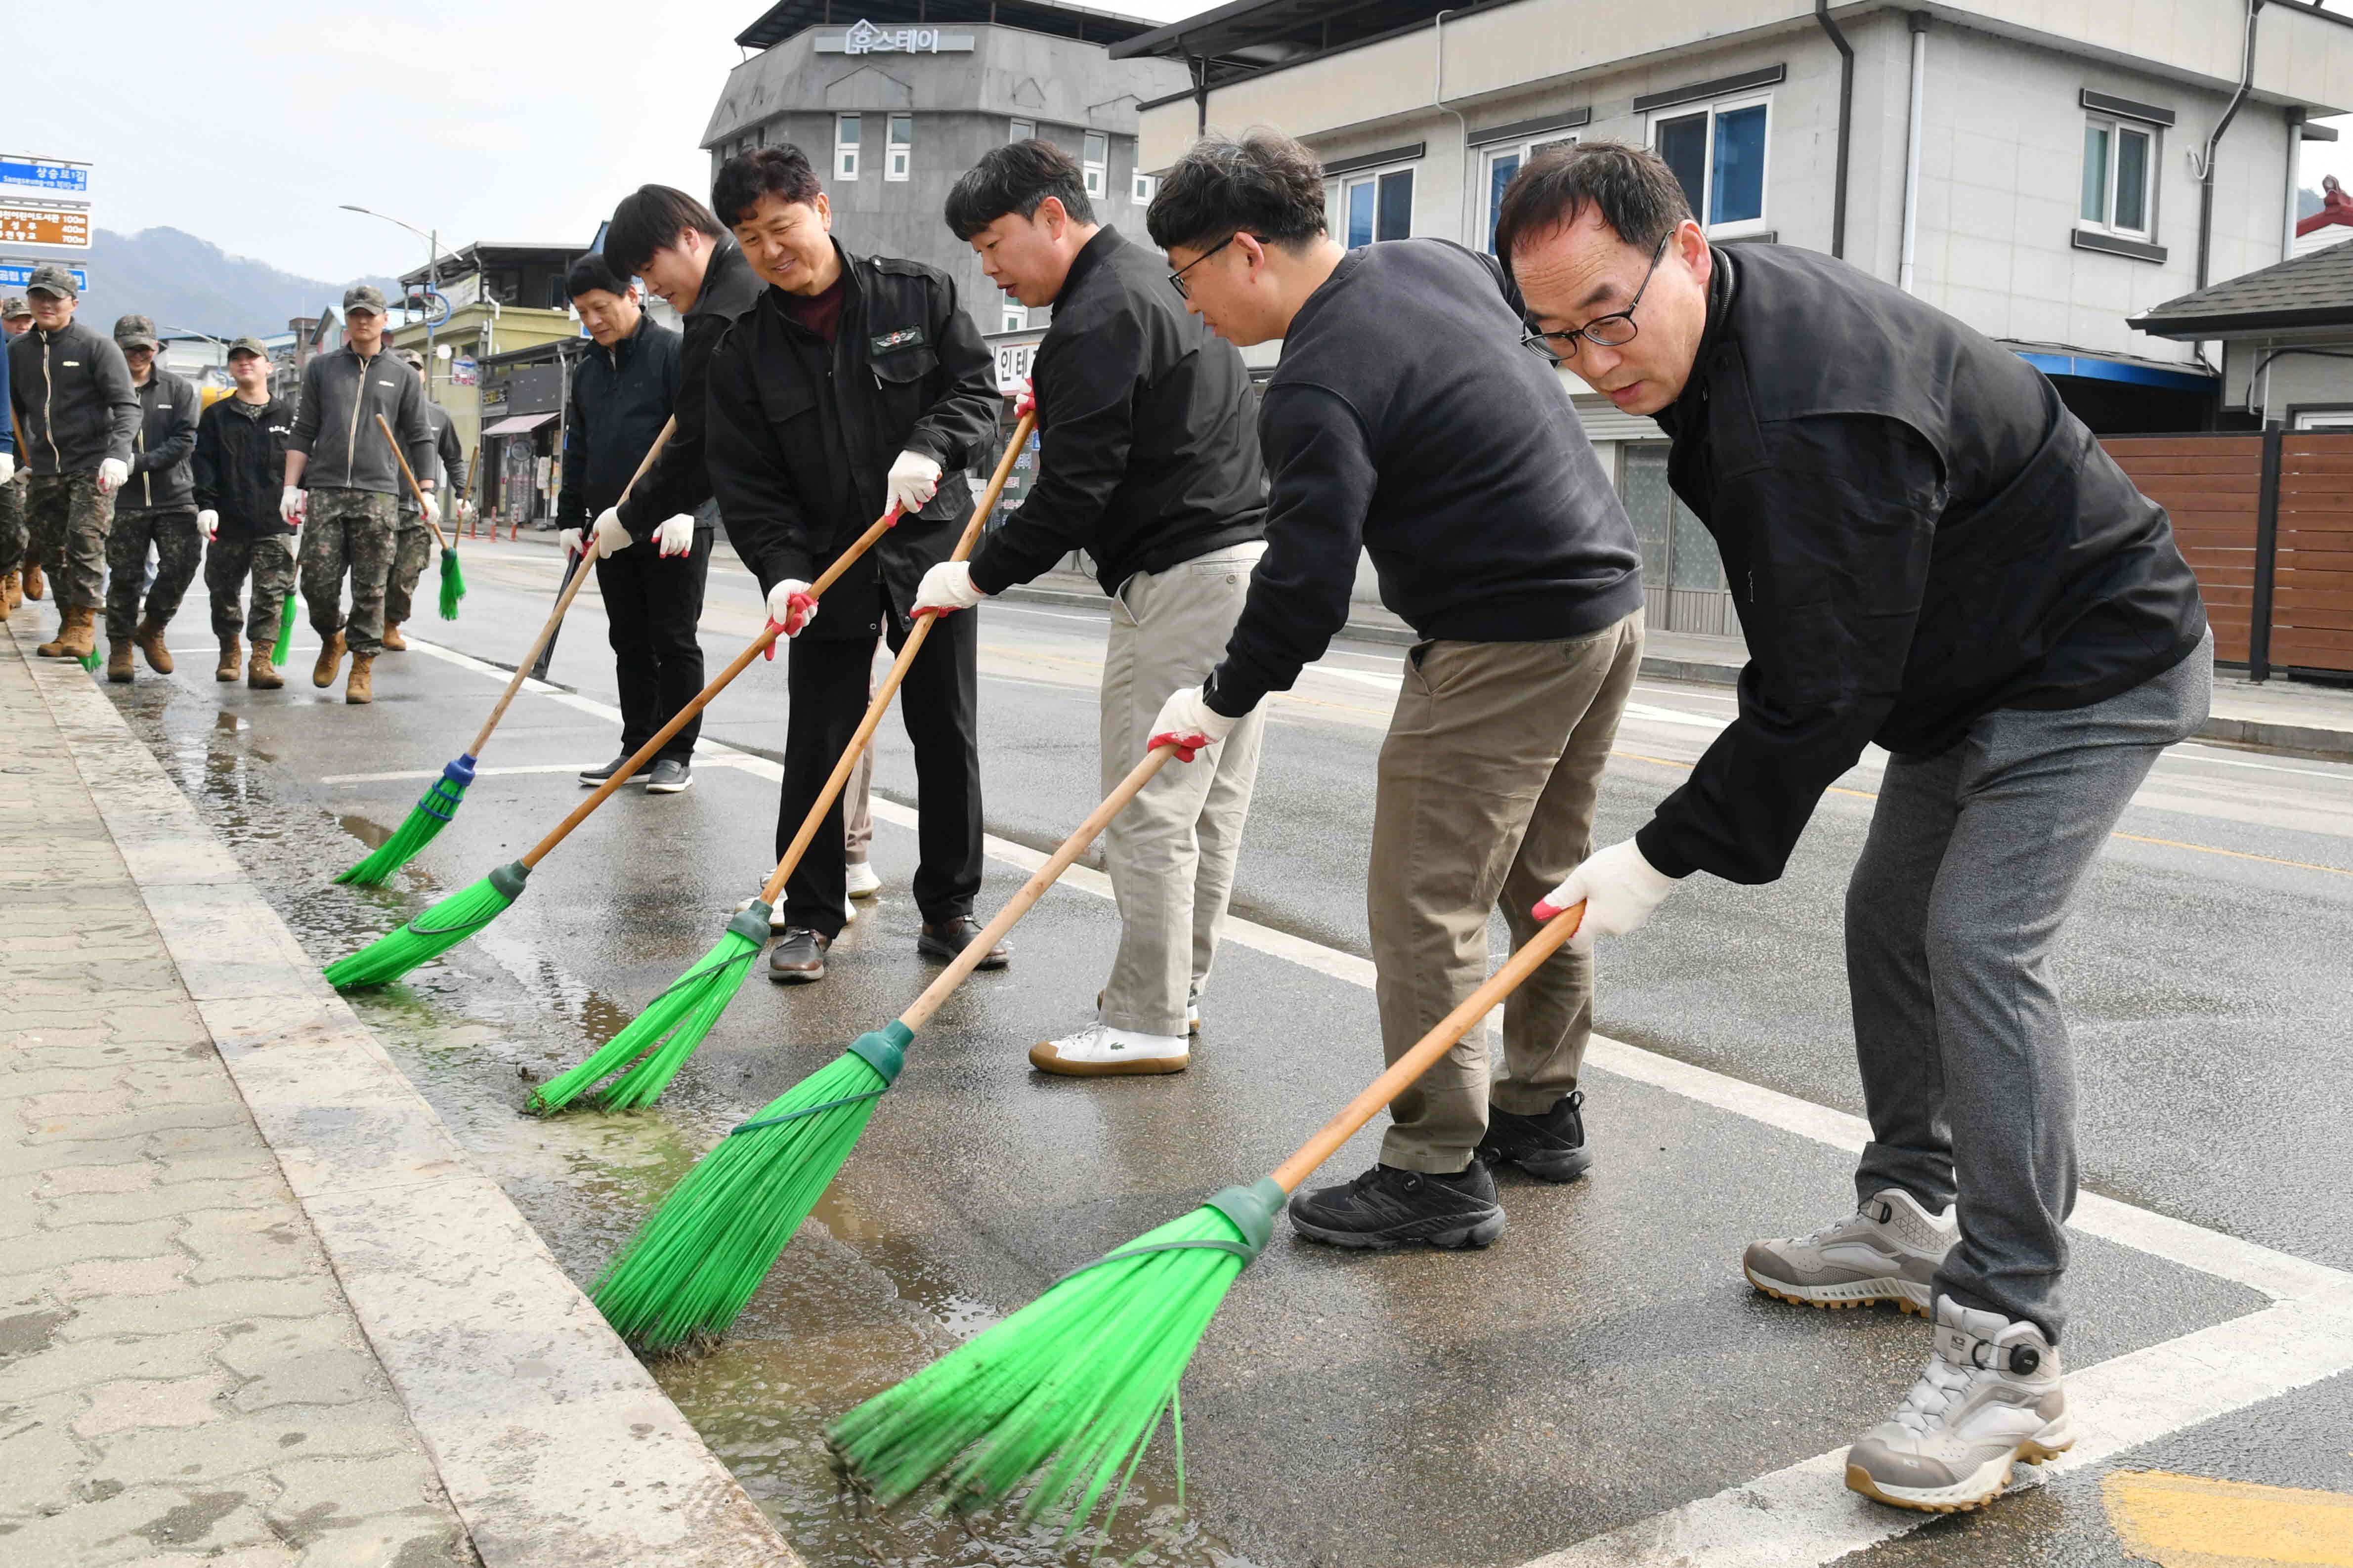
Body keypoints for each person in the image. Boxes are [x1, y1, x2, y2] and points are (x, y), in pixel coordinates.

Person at [1497, 142, 2213, 1514]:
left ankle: (2010, 1344)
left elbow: (1819, 688)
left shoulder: (1811, 408)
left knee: (1979, 947)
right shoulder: (1723, 342)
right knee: (1888, 917)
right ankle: (1909, 1213)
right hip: (1968, 664)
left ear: (1689, 250)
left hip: (2090, 655)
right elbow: (1832, 654)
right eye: (1556, 334)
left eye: (1608, 311)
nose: (1592, 355)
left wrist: (1656, 854)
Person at [1143, 130, 1645, 1247]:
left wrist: (1220, 698)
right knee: (1544, 878)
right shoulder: (1436, 260)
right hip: (1609, 605)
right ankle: (1541, 1112)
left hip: (1504, 636)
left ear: (1242, 253)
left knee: (1428, 903)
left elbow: (1307, 585)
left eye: (1186, 279)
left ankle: (1435, 1170)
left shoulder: (1315, 381)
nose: (1190, 308)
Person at [915, 139, 1269, 1076]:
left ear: (1052, 215)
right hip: (1245, 571)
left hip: (1181, 581)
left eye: (994, 244)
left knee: (1148, 810)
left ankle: (1146, 1018)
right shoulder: (1158, 282)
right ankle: (1176, 996)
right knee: (1204, 809)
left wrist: (976, 574)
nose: (988, 268)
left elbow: (1072, 495)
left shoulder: (1096, 318)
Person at [702, 145, 1003, 984]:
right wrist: (780, 572)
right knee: (821, 739)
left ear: (822, 210)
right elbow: (748, 482)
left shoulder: (919, 294)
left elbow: (977, 393)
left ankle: (948, 908)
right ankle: (809, 916)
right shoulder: (744, 351)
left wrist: (931, 446)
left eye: (782, 226)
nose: (770, 249)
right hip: (826, 562)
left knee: (945, 727)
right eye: (750, 237)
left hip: (928, 547)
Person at [553, 252, 707, 795]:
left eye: (600, 307)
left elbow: (704, 435)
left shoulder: (675, 353)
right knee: (630, 641)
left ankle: (677, 752)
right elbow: (579, 446)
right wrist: (570, 516)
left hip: (672, 525)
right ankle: (638, 745)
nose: (593, 320)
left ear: (633, 296)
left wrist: (692, 508)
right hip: (610, 529)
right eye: (583, 312)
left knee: (673, 639)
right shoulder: (591, 370)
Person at [285, 283, 435, 704]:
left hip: (379, 493)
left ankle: (362, 666)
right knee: (317, 583)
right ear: (347, 320)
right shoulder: (322, 369)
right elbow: (303, 430)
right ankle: (332, 636)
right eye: (355, 314)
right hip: (327, 489)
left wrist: (427, 491)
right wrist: (290, 486)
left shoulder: (403, 374)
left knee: (371, 588)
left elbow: (421, 436)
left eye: (370, 313)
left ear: (385, 320)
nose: (363, 320)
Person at [5, 264, 137, 661]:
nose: (46, 304)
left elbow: (127, 406)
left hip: (91, 464)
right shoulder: (16, 352)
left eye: (55, 297)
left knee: (84, 540)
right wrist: (16, 458)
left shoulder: (96, 347)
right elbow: (9, 409)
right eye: (39, 296)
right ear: (29, 300)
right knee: (50, 548)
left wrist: (117, 455)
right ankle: (68, 623)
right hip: (43, 467)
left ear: (73, 303)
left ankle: (83, 625)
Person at [102, 314, 203, 683]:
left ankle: (154, 627)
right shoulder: (101, 391)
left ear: (156, 348)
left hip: (174, 495)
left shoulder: (178, 389)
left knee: (182, 564)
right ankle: (120, 648)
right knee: (125, 577)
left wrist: (136, 463)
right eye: (130, 347)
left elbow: (184, 440)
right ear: (117, 348)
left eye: (145, 347)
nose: (138, 354)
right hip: (122, 500)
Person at [194, 337, 297, 687]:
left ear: (269, 366)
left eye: (252, 358)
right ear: (230, 369)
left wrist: (304, 496)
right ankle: (229, 652)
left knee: (271, 594)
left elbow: (302, 466)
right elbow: (204, 465)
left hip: (274, 522)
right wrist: (205, 506)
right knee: (223, 592)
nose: (244, 363)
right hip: (228, 521)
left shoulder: (290, 416)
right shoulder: (216, 417)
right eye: (237, 359)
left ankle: (262, 660)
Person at [382, 347, 467, 651]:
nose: (412, 373)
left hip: (420, 509)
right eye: (405, 367)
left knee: (407, 572)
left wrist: (462, 494)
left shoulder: (438, 416)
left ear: (424, 374)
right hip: (381, 504)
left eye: (416, 367)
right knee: (376, 573)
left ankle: (391, 624)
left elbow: (454, 458)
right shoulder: (381, 410)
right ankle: (368, 623)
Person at [0, 295, 26, 613]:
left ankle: (12, 570)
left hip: (18, 449)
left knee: (15, 527)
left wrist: (5, 446)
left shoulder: (13, 350)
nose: (23, 325)